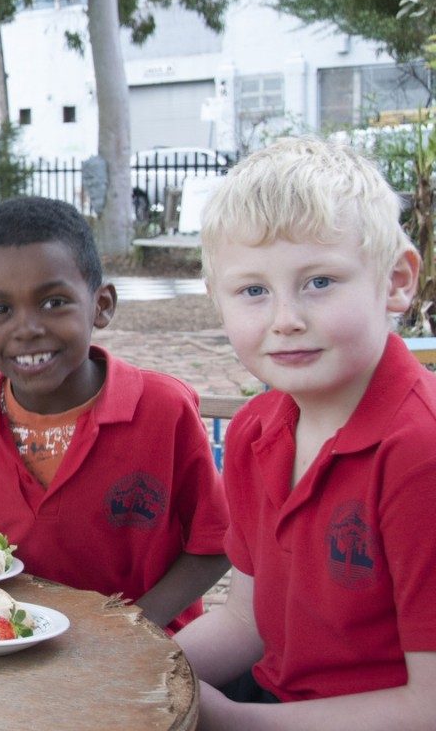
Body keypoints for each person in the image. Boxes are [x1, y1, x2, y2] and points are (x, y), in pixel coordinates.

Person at [0, 197, 229, 631]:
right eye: (0, 310)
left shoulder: (162, 411)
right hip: (8, 635)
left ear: (102, 304)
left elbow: (216, 543)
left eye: (53, 302)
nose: (27, 328)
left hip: (141, 657)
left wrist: (135, 627)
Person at [175, 138, 436, 729]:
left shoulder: (420, 452)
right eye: (254, 291)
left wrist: (234, 721)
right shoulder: (252, 431)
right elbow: (248, 623)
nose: (285, 318)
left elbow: (429, 705)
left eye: (319, 282)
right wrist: (132, 667)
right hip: (274, 699)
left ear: (396, 280)